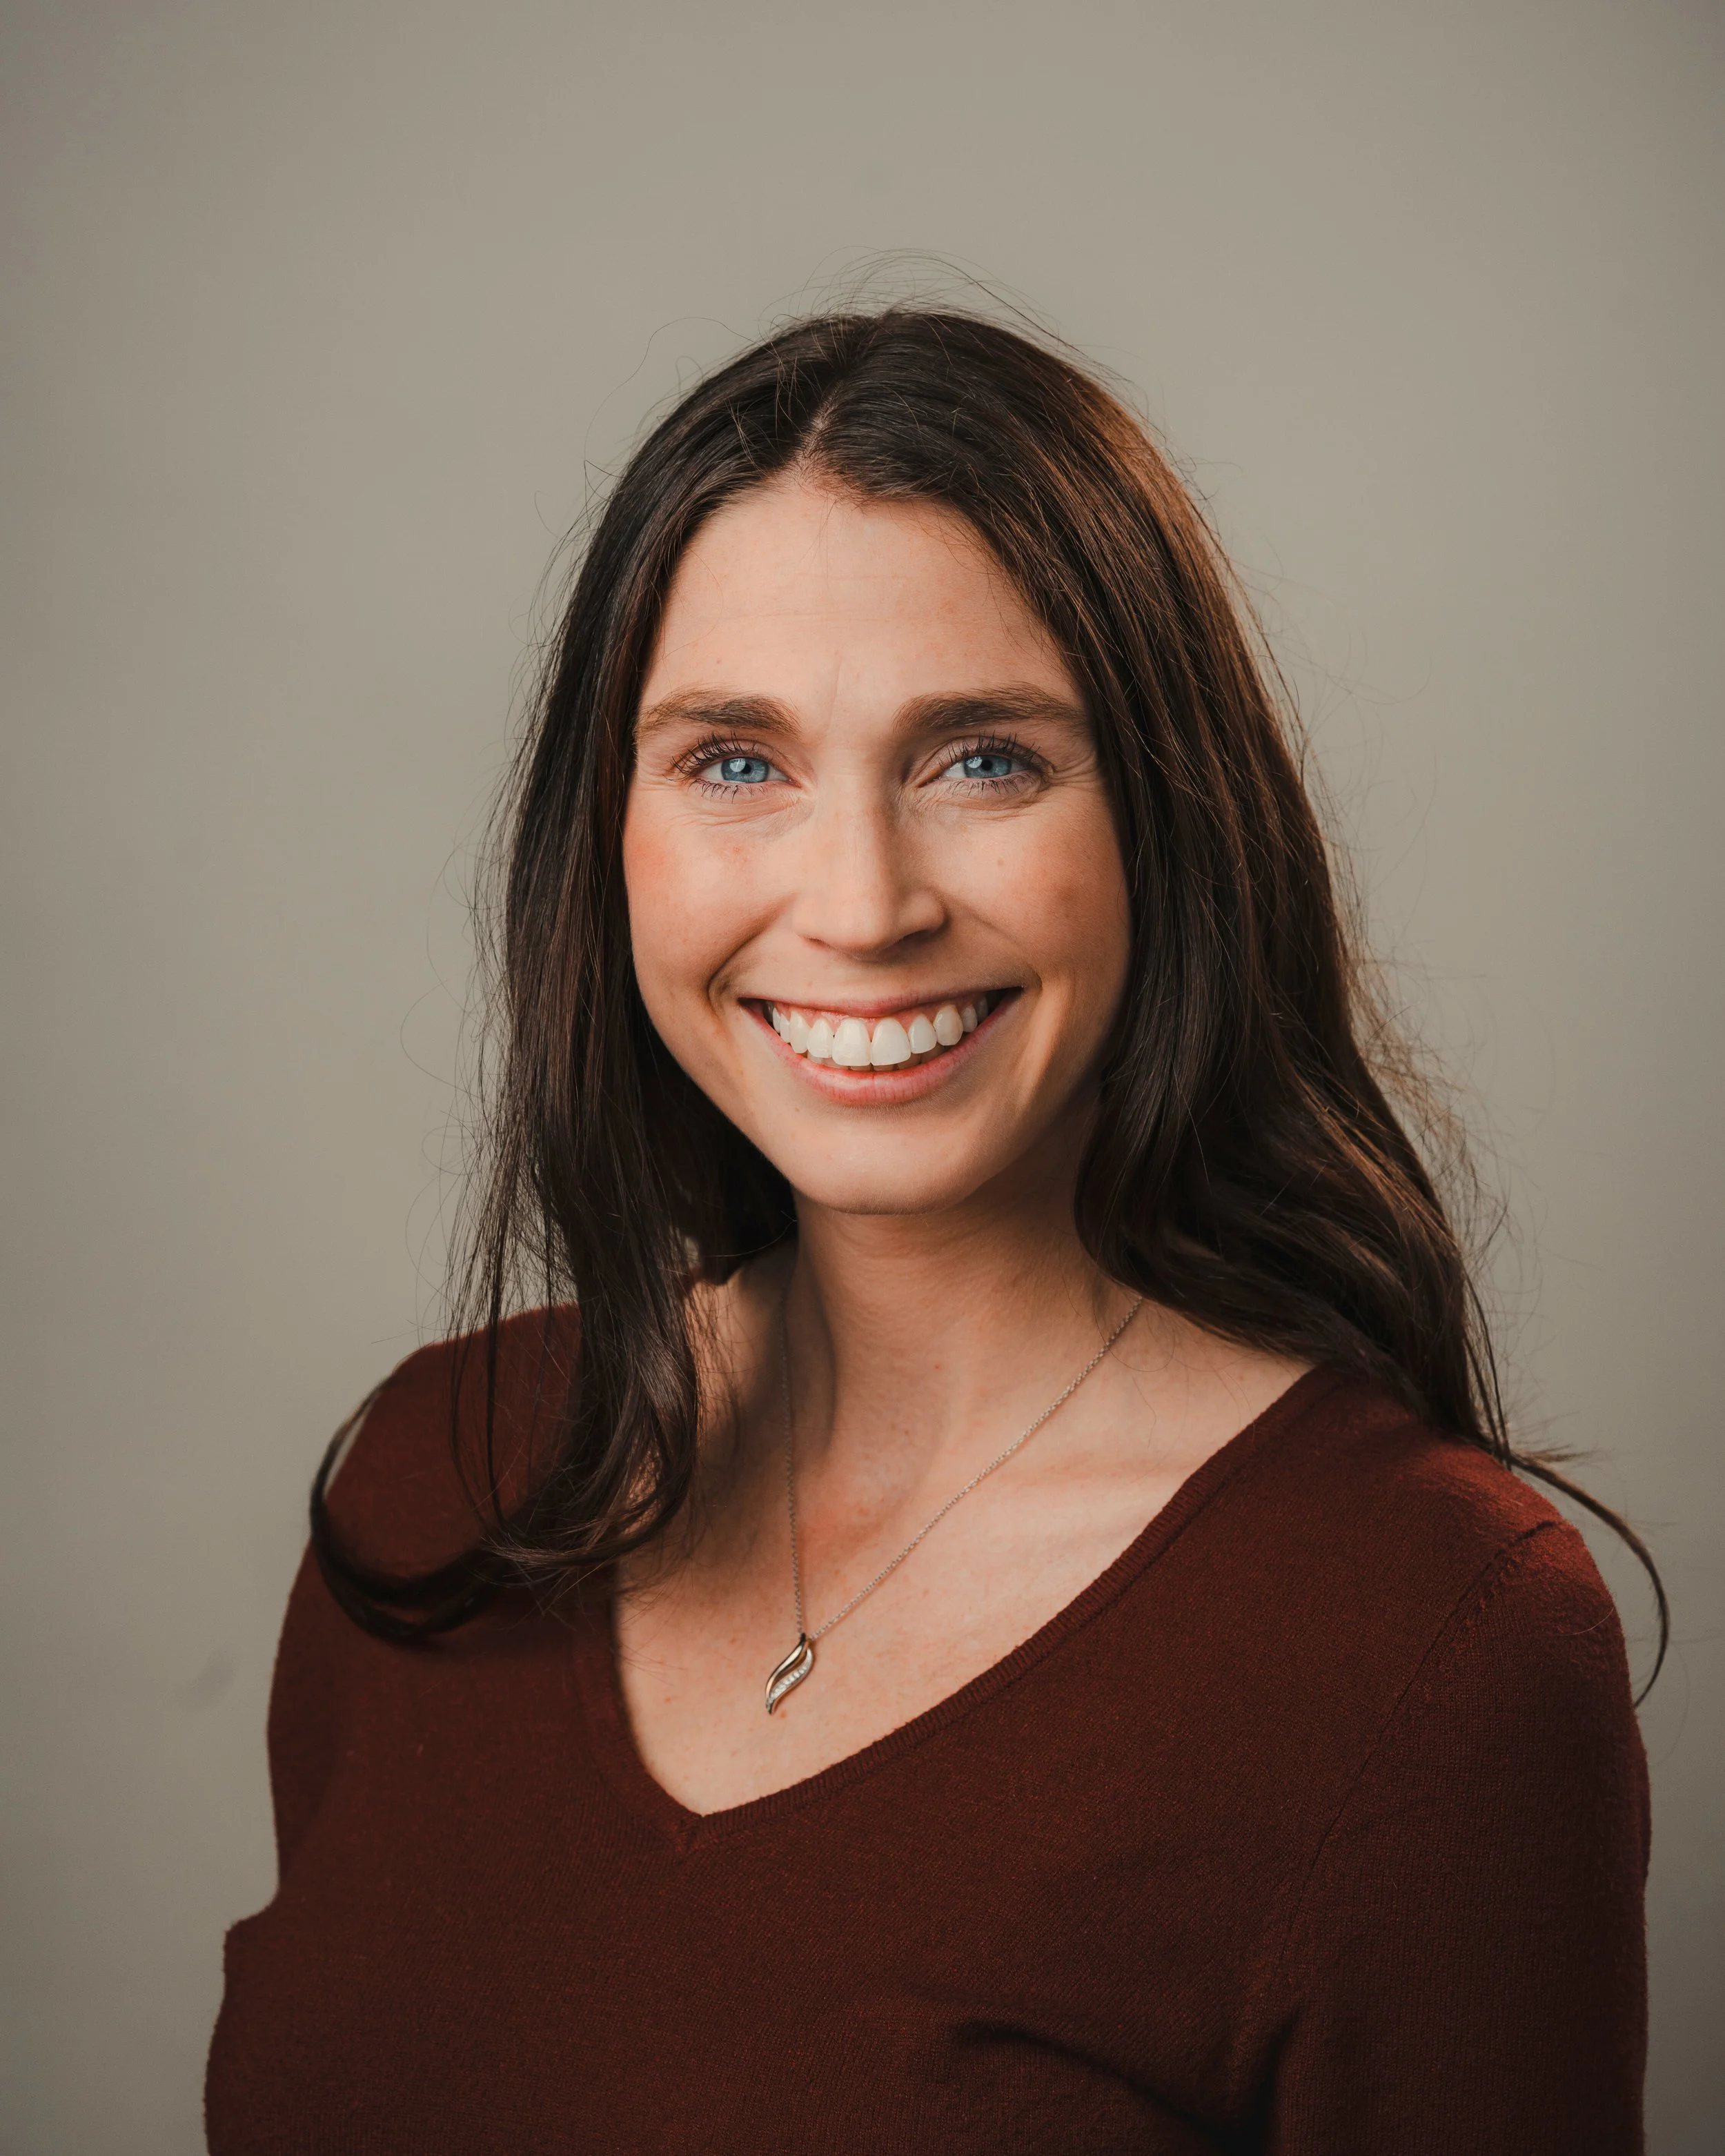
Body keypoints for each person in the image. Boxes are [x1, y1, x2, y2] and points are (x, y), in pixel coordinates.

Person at [205, 308, 1657, 2153]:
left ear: (1163, 824)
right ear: (610, 832)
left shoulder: (1424, 1634)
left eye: (979, 758)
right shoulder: (437, 1476)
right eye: (735, 760)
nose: (862, 902)